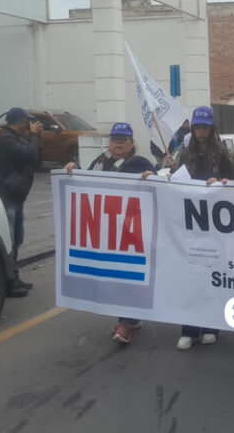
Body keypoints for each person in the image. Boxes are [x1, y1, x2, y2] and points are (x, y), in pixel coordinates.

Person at [65, 122, 157, 344]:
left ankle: (124, 323)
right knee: (113, 274)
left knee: (125, 274)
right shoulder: (100, 162)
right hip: (106, 231)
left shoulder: (140, 162)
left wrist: (151, 175)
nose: (118, 144)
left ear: (131, 143)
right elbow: (84, 181)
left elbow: (160, 181)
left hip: (130, 232)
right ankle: (130, 319)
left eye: (123, 140)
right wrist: (71, 168)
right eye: (115, 139)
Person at [171, 106, 234, 350]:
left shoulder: (221, 152)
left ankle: (211, 325)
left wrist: (222, 182)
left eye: (204, 128)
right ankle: (189, 328)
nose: (201, 132)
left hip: (214, 223)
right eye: (197, 128)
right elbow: (171, 176)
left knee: (211, 274)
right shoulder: (183, 152)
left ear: (211, 129)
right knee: (189, 276)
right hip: (190, 222)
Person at [0, 107, 42, 298]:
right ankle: (8, 282)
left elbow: (36, 160)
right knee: (9, 240)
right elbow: (30, 155)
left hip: (16, 195)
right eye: (27, 121)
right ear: (18, 121)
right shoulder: (6, 140)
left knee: (16, 239)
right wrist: (34, 136)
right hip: (7, 196)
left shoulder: (15, 139)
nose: (30, 125)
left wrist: (33, 138)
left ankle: (14, 277)